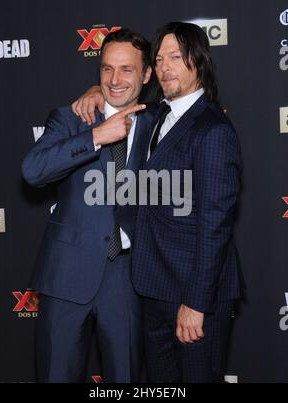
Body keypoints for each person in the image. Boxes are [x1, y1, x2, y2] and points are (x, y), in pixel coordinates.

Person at [72, 22, 243, 383]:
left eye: (176, 58)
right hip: (154, 289)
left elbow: (215, 225)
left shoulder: (212, 129)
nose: (165, 67)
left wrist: (196, 304)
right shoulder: (155, 114)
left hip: (194, 295)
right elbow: (116, 94)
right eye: (160, 58)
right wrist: (94, 91)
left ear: (199, 61)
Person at [22, 29, 152, 383]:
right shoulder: (71, 118)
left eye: (127, 69)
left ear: (146, 74)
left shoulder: (159, 125)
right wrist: (95, 136)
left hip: (128, 280)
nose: (115, 80)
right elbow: (33, 171)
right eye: (107, 69)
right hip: (66, 275)